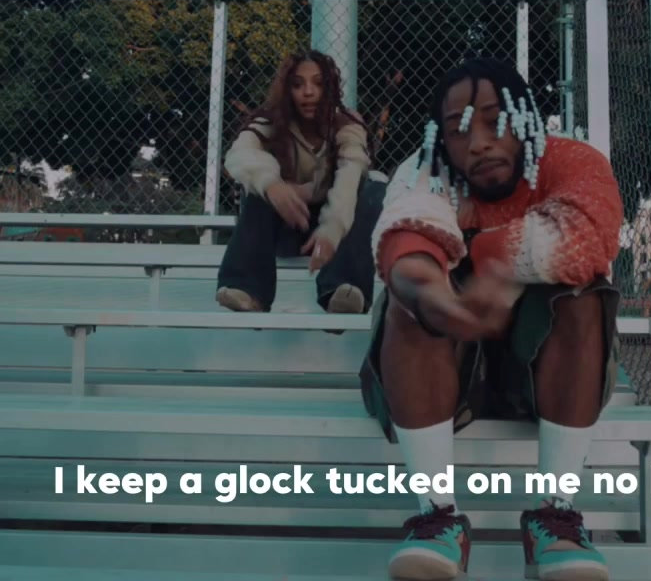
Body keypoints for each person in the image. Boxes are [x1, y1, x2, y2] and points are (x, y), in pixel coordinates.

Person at [359, 57, 625, 581]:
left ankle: (555, 516)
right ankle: (437, 518)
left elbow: (584, 239)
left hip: (543, 374)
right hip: (444, 373)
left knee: (583, 294)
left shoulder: (572, 160)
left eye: (493, 119)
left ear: (526, 117)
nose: (478, 143)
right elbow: (407, 241)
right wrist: (439, 300)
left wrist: (479, 253)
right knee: (412, 299)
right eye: (458, 129)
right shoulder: (425, 169)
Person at [217, 49, 384, 315]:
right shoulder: (271, 121)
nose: (308, 92)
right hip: (287, 227)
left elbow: (350, 174)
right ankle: (248, 290)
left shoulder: (346, 124)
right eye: (298, 84)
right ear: (287, 90)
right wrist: (273, 186)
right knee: (256, 187)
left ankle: (344, 290)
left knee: (373, 187)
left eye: (318, 84)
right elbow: (238, 154)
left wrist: (332, 229)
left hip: (336, 237)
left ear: (330, 89)